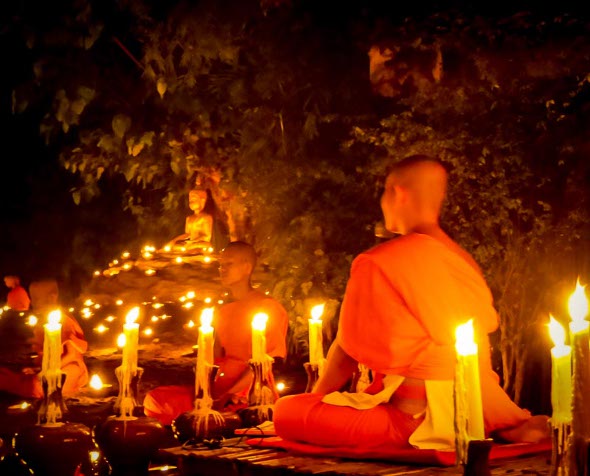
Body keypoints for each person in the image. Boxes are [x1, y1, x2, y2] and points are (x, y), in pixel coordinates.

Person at [273, 155, 549, 454]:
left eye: (383, 192)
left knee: (287, 412)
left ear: (397, 193)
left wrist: (316, 399)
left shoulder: (380, 262)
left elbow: (348, 350)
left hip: (412, 419)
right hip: (477, 407)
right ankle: (503, 425)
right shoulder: (460, 258)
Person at [143, 241, 289, 425]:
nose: (222, 269)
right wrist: (206, 391)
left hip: (249, 393)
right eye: (221, 265)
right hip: (216, 390)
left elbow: (269, 361)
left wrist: (232, 393)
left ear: (246, 267)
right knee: (157, 399)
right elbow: (213, 359)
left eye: (229, 264)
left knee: (226, 415)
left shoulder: (268, 307)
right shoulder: (223, 311)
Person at [0, 279, 88, 398]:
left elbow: (72, 355)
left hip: (69, 368)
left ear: (52, 297)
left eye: (36, 298)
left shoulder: (64, 320)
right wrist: (39, 367)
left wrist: (49, 369)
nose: (32, 302)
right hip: (50, 369)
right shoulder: (44, 320)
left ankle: (15, 383)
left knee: (40, 387)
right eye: (32, 298)